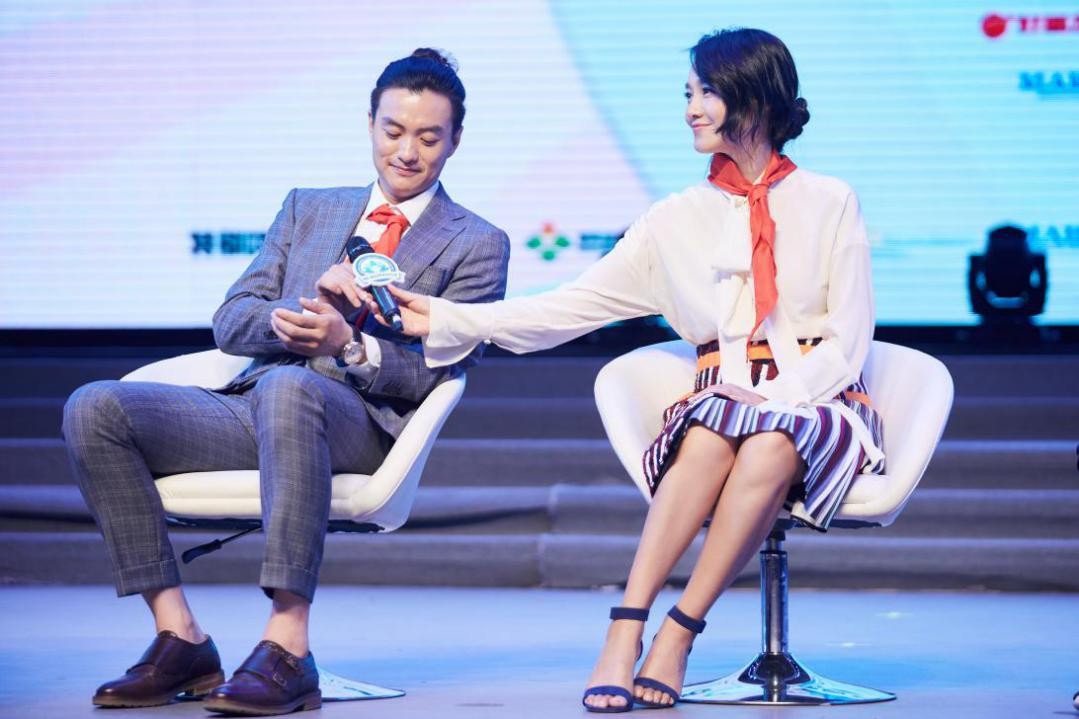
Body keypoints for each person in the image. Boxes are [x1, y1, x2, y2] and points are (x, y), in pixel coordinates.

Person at [379, 28, 886, 713]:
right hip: (719, 406)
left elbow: (849, 338)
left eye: (705, 92)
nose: (691, 109)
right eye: (688, 93)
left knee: (768, 437)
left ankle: (678, 633)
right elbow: (565, 309)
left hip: (820, 400)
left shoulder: (830, 200)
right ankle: (627, 625)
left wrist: (777, 398)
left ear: (754, 96)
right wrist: (445, 319)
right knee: (710, 432)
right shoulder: (671, 220)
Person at [61, 48, 509, 716]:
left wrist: (347, 344)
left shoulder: (477, 242)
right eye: (393, 131)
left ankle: (287, 645)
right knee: (95, 406)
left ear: (455, 140)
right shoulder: (309, 208)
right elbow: (231, 319)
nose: (406, 152)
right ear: (369, 124)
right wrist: (289, 319)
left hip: (360, 423)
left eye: (427, 137)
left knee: (291, 392)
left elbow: (438, 368)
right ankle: (179, 636)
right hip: (255, 402)